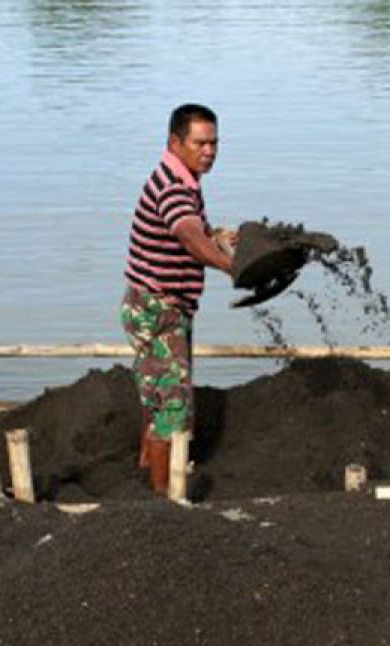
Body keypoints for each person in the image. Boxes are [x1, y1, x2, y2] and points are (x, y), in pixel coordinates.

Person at [120, 103, 236, 494]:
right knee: (172, 408)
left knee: (159, 395)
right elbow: (188, 236)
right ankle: (162, 502)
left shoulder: (182, 178)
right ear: (175, 142)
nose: (210, 151)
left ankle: (144, 466)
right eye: (201, 143)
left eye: (215, 143)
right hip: (158, 309)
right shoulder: (173, 187)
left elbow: (196, 230)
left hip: (162, 306)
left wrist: (220, 238)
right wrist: (231, 266)